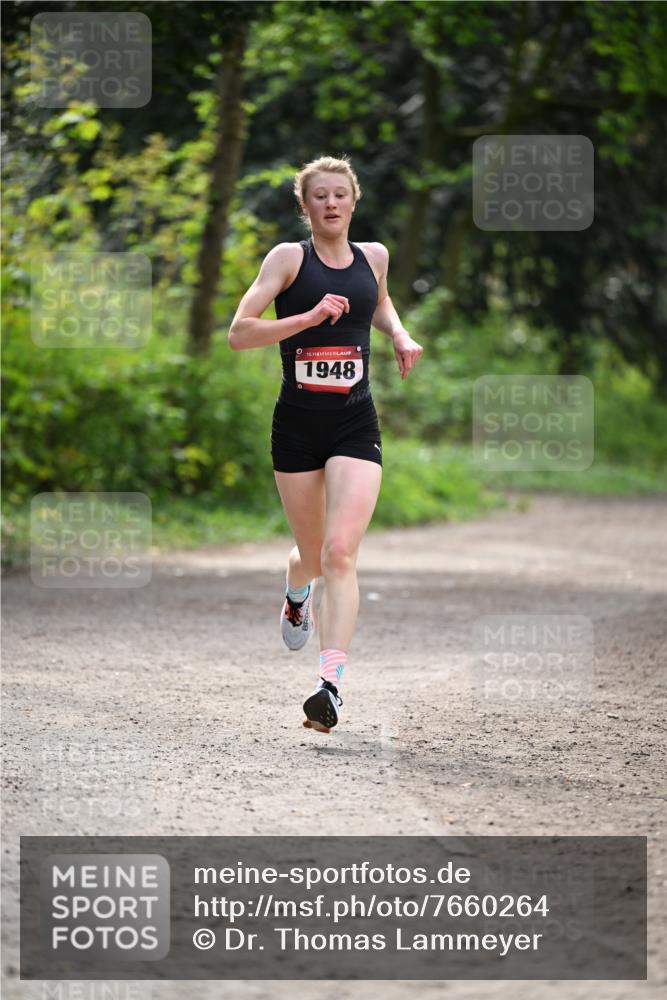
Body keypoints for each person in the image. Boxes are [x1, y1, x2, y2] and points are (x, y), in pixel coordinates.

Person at [228, 154, 422, 733]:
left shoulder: (374, 257)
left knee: (340, 554)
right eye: (320, 196)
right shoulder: (289, 259)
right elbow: (240, 333)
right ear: (306, 205)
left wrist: (401, 333)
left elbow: (378, 301)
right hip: (296, 426)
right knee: (310, 556)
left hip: (354, 423)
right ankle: (296, 590)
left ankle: (330, 685)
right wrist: (307, 319)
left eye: (340, 194)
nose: (331, 203)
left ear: (354, 201)